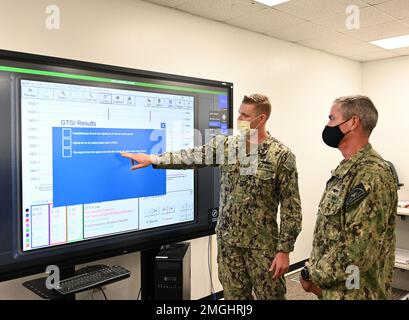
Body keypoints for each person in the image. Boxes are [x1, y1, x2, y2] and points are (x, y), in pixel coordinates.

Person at [122, 94, 302, 300]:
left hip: (262, 247)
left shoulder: (281, 155)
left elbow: (291, 207)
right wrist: (153, 158)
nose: (239, 119)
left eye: (245, 115)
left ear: (261, 119)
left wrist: (284, 250)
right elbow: (191, 156)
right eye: (239, 113)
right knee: (234, 298)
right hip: (228, 244)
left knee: (271, 297)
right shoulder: (227, 146)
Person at [300, 95, 397, 300]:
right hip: (338, 290)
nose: (328, 125)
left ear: (353, 122)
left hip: (358, 293)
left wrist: (313, 274)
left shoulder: (372, 175)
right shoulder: (348, 169)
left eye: (332, 118)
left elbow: (358, 251)